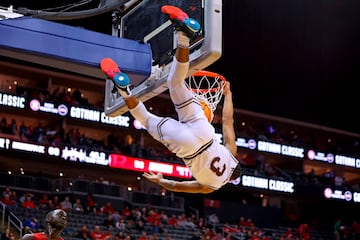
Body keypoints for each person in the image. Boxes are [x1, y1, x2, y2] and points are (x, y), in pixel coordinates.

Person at [100, 5, 241, 194]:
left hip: (204, 131)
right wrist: (161, 181)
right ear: (230, 180)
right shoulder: (211, 187)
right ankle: (124, 90)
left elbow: (227, 122)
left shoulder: (231, 153)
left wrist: (228, 95)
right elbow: (177, 186)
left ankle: (183, 37)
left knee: (174, 82)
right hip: (188, 147)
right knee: (147, 120)